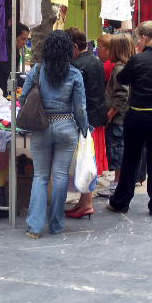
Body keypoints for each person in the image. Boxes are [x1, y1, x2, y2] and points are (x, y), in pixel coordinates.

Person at [20, 30, 88, 238]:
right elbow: (80, 109)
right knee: (60, 177)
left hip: (41, 127)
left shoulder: (37, 70)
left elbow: (23, 99)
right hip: (67, 127)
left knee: (40, 176)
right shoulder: (75, 73)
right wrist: (85, 129)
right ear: (68, 50)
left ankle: (35, 227)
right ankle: (56, 224)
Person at [107, 21, 152, 216]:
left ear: (145, 38)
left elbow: (122, 79)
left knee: (131, 159)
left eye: (138, 38)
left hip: (138, 116)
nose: (137, 42)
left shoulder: (138, 60)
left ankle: (121, 201)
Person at [65, 27, 107, 219]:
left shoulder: (79, 65)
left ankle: (86, 203)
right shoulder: (95, 59)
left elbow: (78, 97)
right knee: (88, 159)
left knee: (87, 160)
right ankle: (84, 201)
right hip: (96, 115)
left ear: (74, 46)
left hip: (87, 118)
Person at [98, 33, 134, 198]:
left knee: (117, 151)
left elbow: (121, 95)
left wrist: (110, 114)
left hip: (118, 120)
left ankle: (116, 184)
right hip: (122, 119)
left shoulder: (119, 69)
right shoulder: (124, 67)